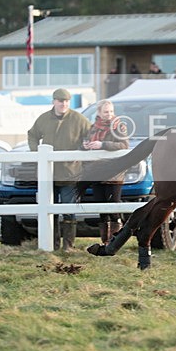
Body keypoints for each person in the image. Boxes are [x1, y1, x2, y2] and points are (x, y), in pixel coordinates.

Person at [28, 88, 91, 251]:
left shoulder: (79, 119)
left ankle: (68, 246)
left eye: (66, 101)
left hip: (70, 173)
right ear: (53, 102)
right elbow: (32, 135)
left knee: (69, 210)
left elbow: (91, 135)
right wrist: (37, 154)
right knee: (50, 211)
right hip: (48, 174)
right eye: (60, 101)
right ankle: (52, 245)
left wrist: (84, 148)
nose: (63, 104)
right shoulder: (43, 119)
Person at [82, 99, 129, 245]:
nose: (109, 114)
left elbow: (124, 144)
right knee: (101, 207)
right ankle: (105, 242)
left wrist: (103, 144)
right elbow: (88, 143)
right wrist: (86, 145)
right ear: (99, 113)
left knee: (113, 207)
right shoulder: (93, 128)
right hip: (96, 170)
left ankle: (115, 241)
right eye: (106, 112)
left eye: (111, 111)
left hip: (113, 172)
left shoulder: (119, 126)